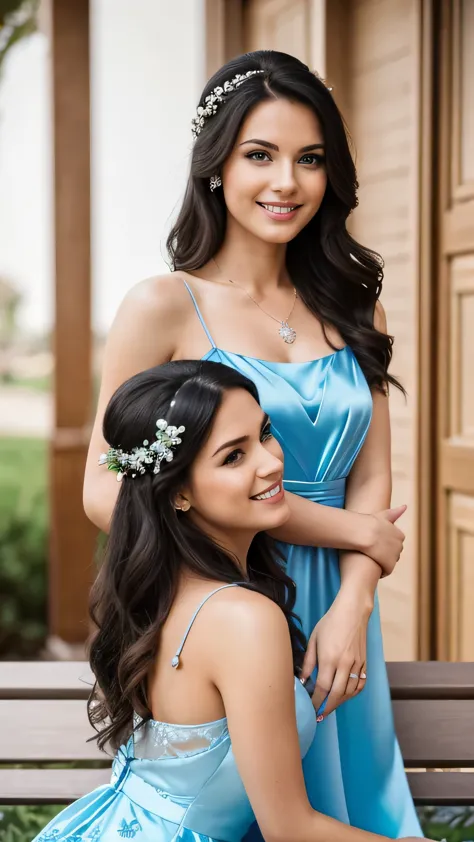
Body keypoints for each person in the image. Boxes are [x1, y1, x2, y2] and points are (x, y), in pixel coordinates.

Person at [83, 51, 421, 835]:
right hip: (223, 591)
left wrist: (351, 602)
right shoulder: (162, 304)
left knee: (343, 804)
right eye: (259, 155)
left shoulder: (349, 300)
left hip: (341, 602)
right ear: (215, 167)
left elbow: (373, 481)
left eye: (310, 159)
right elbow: (108, 490)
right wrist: (343, 530)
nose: (287, 183)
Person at [37, 361, 429, 842]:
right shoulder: (243, 619)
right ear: (178, 493)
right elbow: (290, 828)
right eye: (233, 457)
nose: (271, 462)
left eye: (265, 434)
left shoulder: (162, 594)